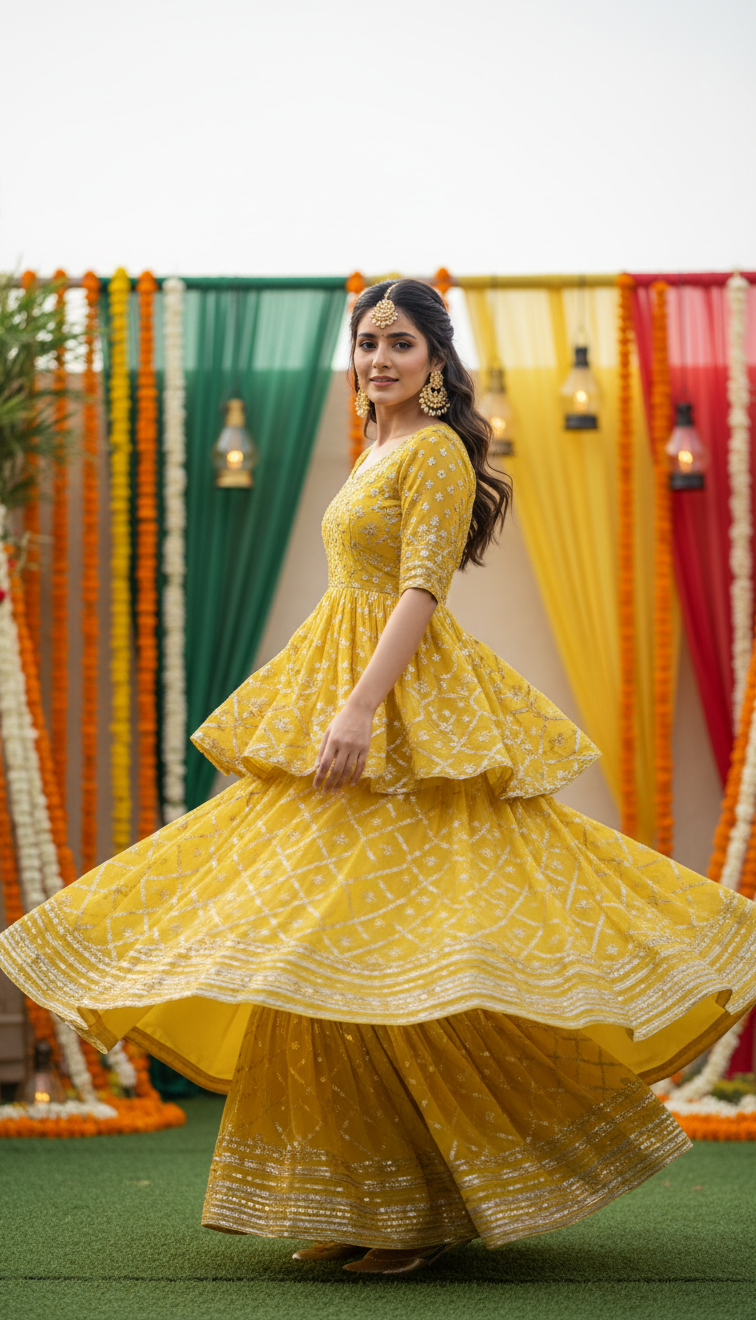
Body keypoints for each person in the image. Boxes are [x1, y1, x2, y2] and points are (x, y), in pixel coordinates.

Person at [1, 279, 755, 1277]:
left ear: (438, 360)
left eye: (400, 343)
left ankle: (420, 1214)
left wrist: (359, 708)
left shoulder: (436, 451)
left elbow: (421, 589)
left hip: (403, 711)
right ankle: (371, 1199)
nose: (378, 359)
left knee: (403, 951)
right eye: (366, 343)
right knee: (328, 953)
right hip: (341, 682)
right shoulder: (380, 447)